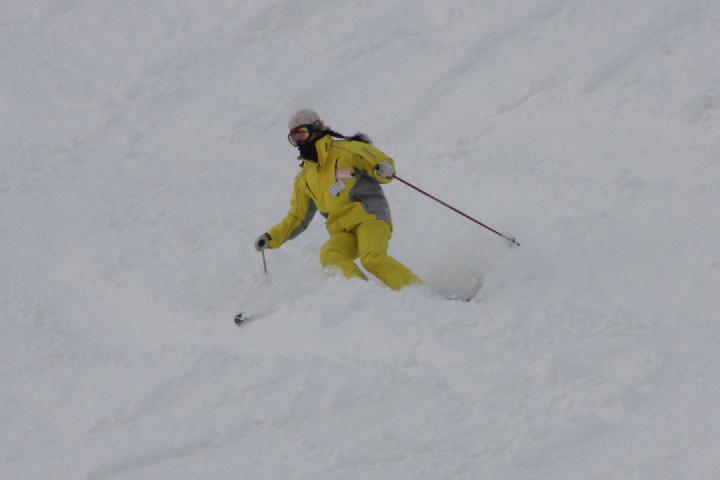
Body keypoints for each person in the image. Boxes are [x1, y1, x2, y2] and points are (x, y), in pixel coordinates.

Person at [254, 109, 422, 290]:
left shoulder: (346, 150)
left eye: (302, 134)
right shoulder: (304, 178)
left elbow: (379, 162)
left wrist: (384, 168)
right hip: (342, 231)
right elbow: (297, 217)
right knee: (330, 254)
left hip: (369, 218)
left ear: (316, 128)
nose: (300, 142)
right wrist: (271, 238)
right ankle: (362, 294)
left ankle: (420, 293)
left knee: (372, 258)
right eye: (294, 139)